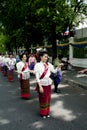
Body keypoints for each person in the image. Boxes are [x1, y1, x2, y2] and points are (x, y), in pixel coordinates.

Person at [34, 51, 61, 118]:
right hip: (42, 84)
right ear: (41, 57)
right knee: (43, 99)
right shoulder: (37, 65)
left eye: (47, 57)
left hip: (48, 84)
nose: (46, 58)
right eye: (45, 56)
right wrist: (40, 86)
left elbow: (54, 71)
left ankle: (47, 112)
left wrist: (58, 67)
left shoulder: (49, 65)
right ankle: (43, 113)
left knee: (48, 98)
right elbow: (37, 77)